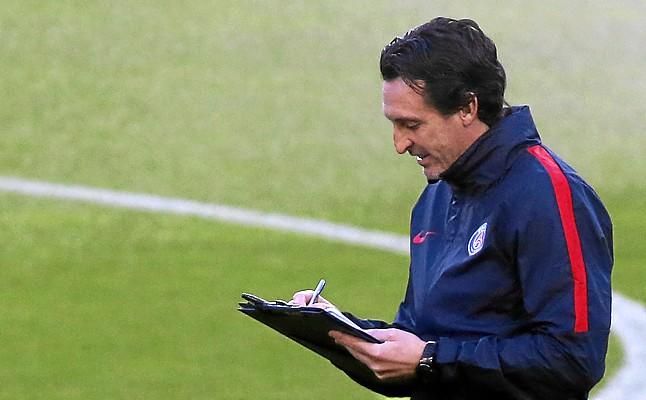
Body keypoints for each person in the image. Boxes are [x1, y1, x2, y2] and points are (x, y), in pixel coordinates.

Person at [291, 17, 613, 400]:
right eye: (394, 124)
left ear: (466, 108)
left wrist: (430, 359)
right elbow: (416, 346)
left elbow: (572, 360)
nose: (399, 144)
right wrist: (336, 330)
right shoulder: (435, 198)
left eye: (412, 124)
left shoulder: (548, 195)